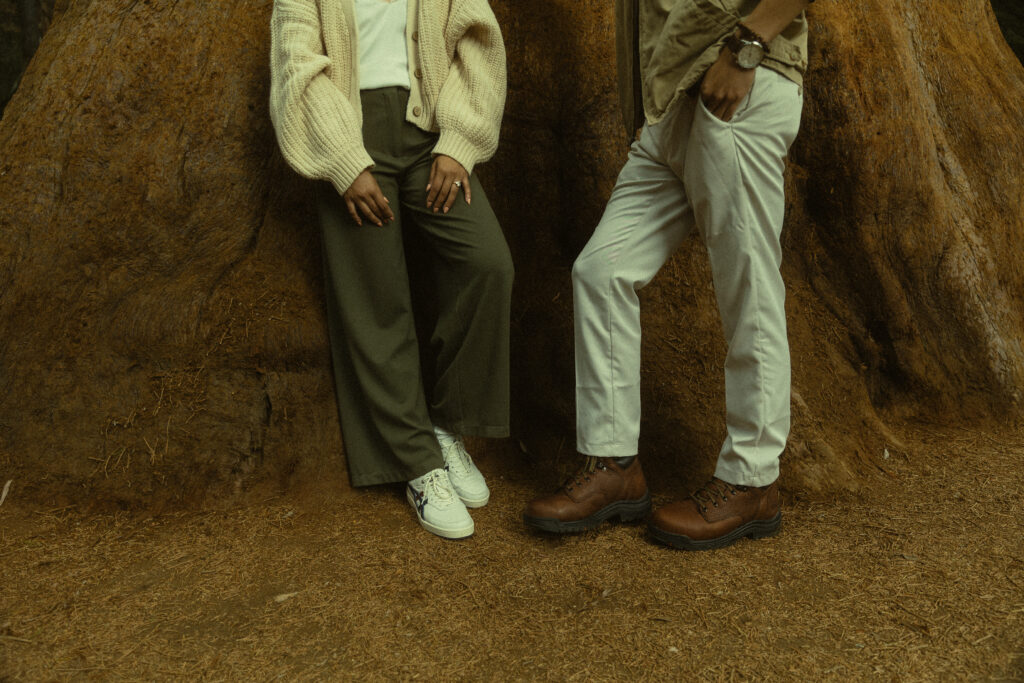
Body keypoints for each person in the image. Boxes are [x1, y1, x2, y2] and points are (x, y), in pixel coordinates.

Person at [523, 0, 813, 550]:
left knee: (749, 291)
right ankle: (614, 465)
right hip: (672, 106)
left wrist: (747, 48)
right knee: (601, 271)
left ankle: (753, 480)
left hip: (739, 87)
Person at [269, 0, 512, 540]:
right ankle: (418, 464)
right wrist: (343, 159)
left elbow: (478, 41)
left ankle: (446, 426)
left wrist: (459, 143)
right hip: (349, 134)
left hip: (431, 133)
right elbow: (296, 63)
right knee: (377, 301)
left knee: (487, 265)